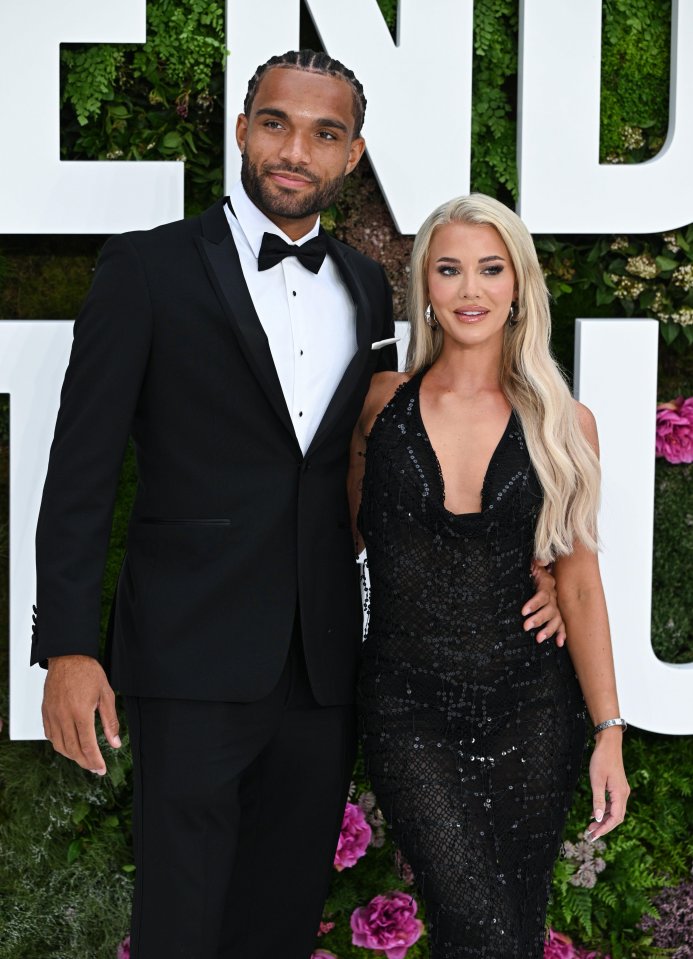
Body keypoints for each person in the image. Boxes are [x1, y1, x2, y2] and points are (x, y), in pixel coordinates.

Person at [31, 50, 563, 959]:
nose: (295, 149)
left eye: (325, 133)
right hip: (189, 655)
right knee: (180, 925)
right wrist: (70, 648)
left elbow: (395, 473)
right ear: (241, 130)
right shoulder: (146, 270)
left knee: (277, 923)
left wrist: (533, 566)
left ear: (352, 156)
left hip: (323, 669)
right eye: (276, 122)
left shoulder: (363, 286)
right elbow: (80, 469)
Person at [350, 194, 630, 958]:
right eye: (448, 270)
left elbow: (576, 582)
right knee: (478, 923)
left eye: (488, 269)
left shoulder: (563, 423)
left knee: (507, 925)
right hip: (407, 706)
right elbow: (340, 545)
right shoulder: (380, 406)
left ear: (517, 286)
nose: (469, 289)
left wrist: (608, 732)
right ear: (425, 290)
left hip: (532, 709)